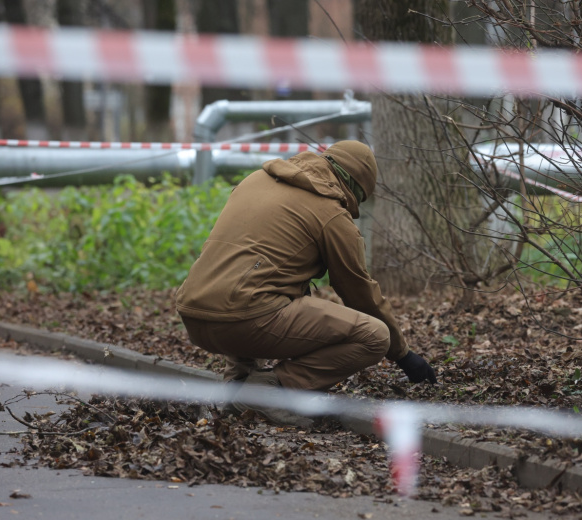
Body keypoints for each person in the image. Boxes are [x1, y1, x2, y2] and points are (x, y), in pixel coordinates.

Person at [175, 140, 437, 426]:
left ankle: (237, 384)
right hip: (244, 321)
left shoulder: (256, 180)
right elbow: (359, 292)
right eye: (360, 197)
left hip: (193, 313)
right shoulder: (331, 213)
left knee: (259, 283)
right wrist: (403, 354)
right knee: (374, 336)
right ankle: (266, 393)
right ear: (353, 185)